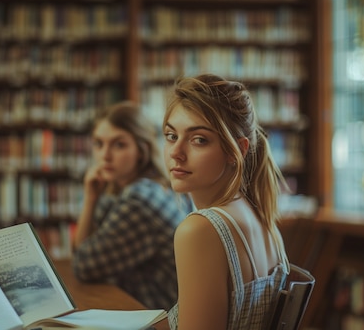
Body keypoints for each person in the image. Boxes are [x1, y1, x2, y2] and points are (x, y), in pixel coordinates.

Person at [162, 74, 290, 329]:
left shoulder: (200, 230)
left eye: (199, 139)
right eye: (171, 135)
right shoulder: (260, 216)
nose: (176, 152)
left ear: (238, 150)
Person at [72, 101, 193, 311]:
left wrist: (91, 201)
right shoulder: (144, 186)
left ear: (141, 150)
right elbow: (82, 249)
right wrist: (91, 197)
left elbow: (83, 266)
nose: (105, 155)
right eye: (99, 144)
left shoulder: (139, 200)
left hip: (162, 316)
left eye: (119, 145)